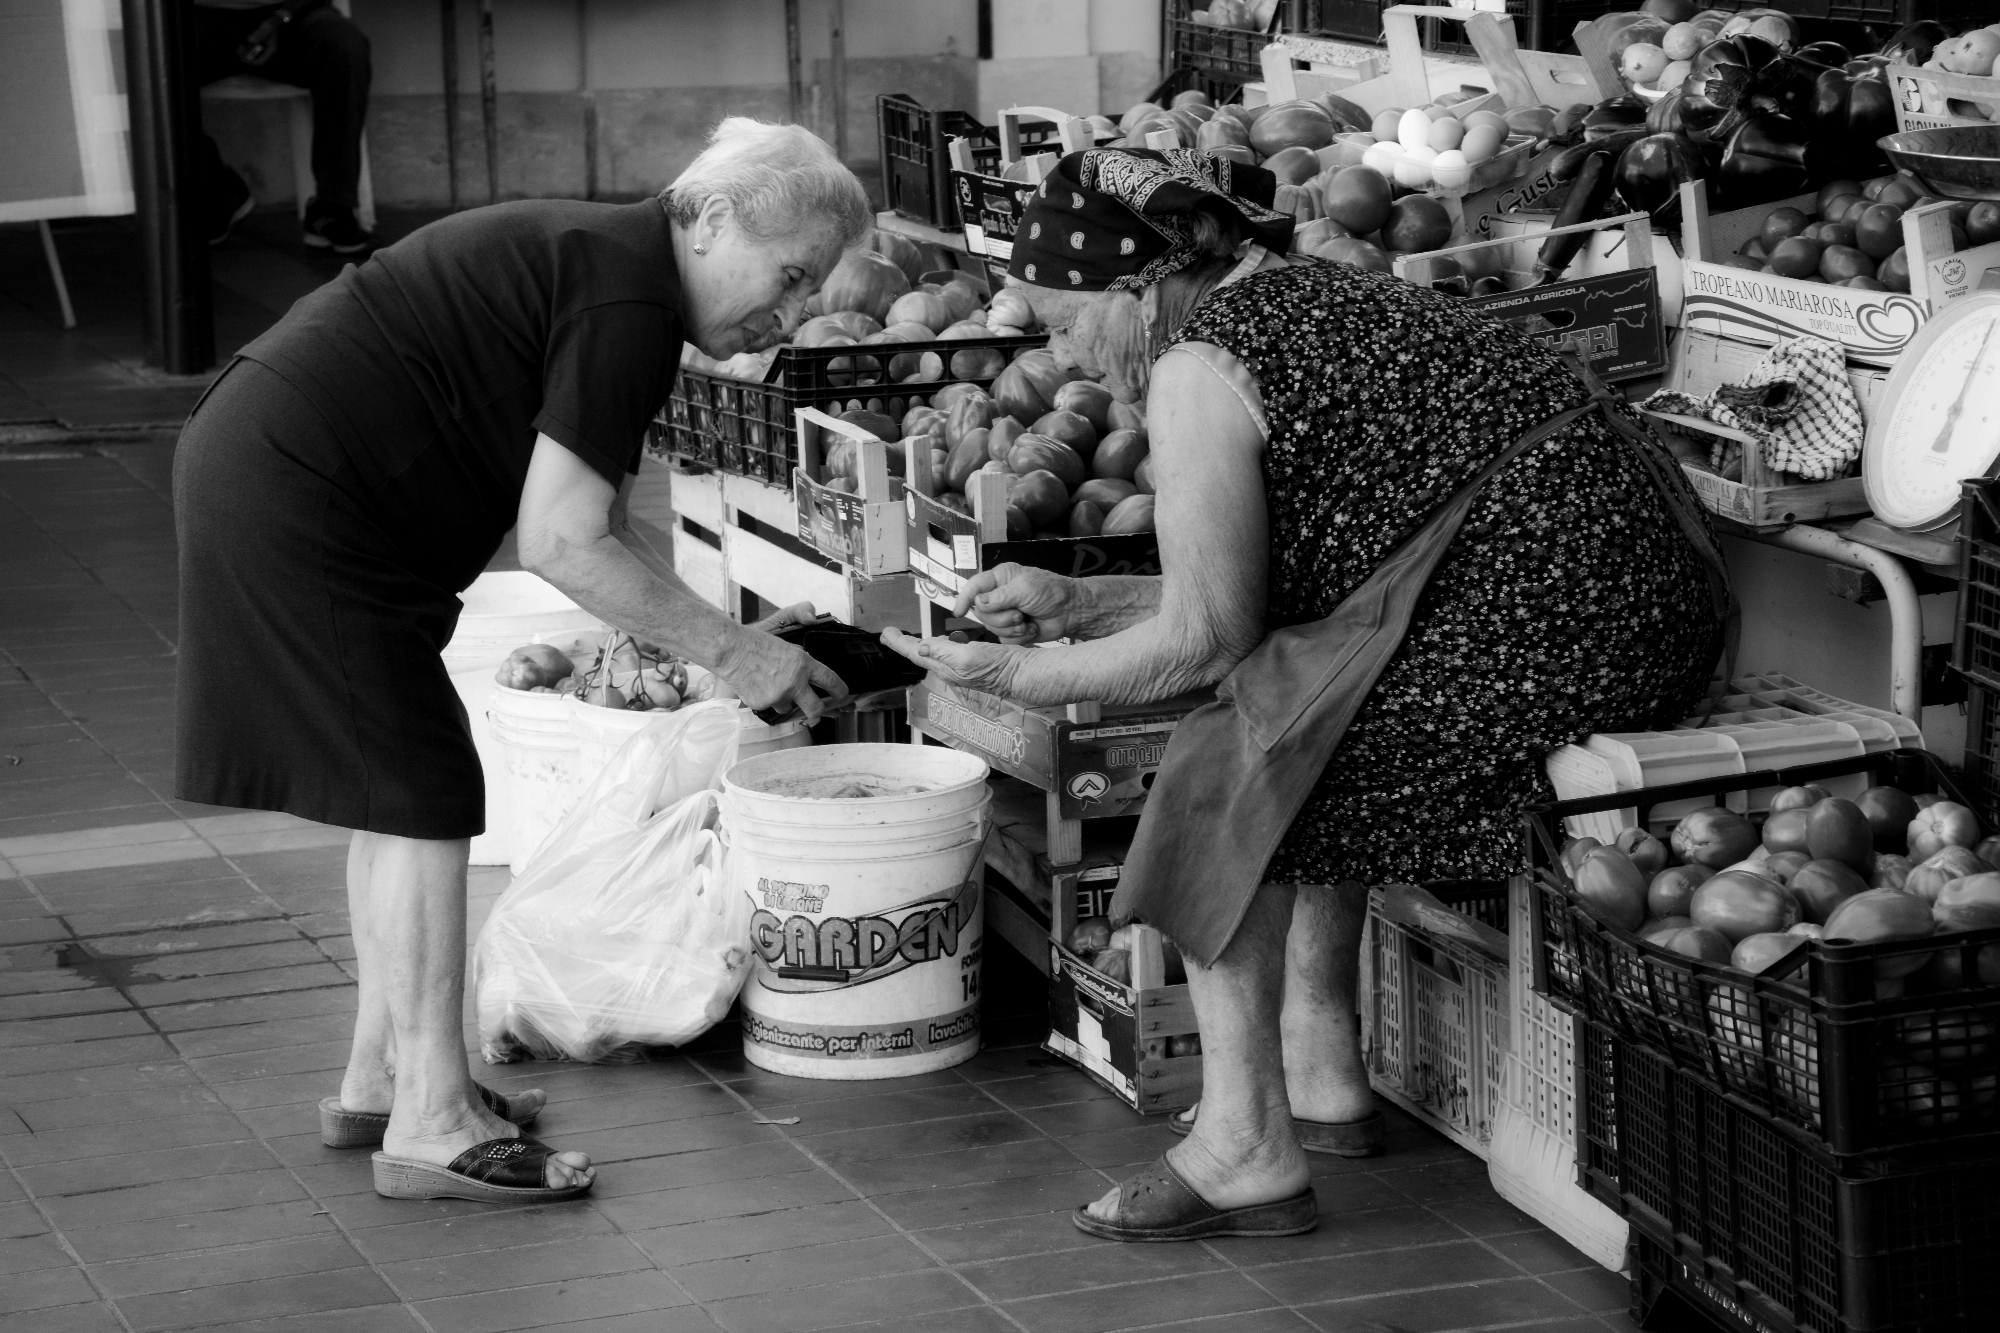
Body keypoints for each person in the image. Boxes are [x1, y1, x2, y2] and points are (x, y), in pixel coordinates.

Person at [883, 147, 1729, 1242]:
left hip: (1560, 626)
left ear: (1132, 286)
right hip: (1645, 595)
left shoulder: (1199, 367)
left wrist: (1016, 676)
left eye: (1060, 319)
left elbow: (1201, 642)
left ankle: (1243, 1142)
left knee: (1227, 752)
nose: (1058, 352)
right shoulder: (1306, 290)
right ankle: (1322, 1067)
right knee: (1296, 682)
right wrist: (1078, 600)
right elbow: (1258, 587)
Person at [173, 119, 870, 1203]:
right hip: (300, 489)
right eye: (787, 277)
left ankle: (383, 1078)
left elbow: (600, 524)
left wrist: (727, 642)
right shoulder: (627, 298)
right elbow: (559, 541)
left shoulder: (615, 269)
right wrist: (733, 656)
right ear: (715, 215)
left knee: (395, 789)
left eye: (806, 293)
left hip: (279, 466)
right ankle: (432, 1120)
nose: (784, 316)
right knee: (421, 793)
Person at [193, 0, 374, 252]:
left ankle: (332, 207)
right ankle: (217, 188)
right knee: (146, 60)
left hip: (293, 13)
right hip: (197, 17)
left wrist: (280, 18)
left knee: (344, 46)